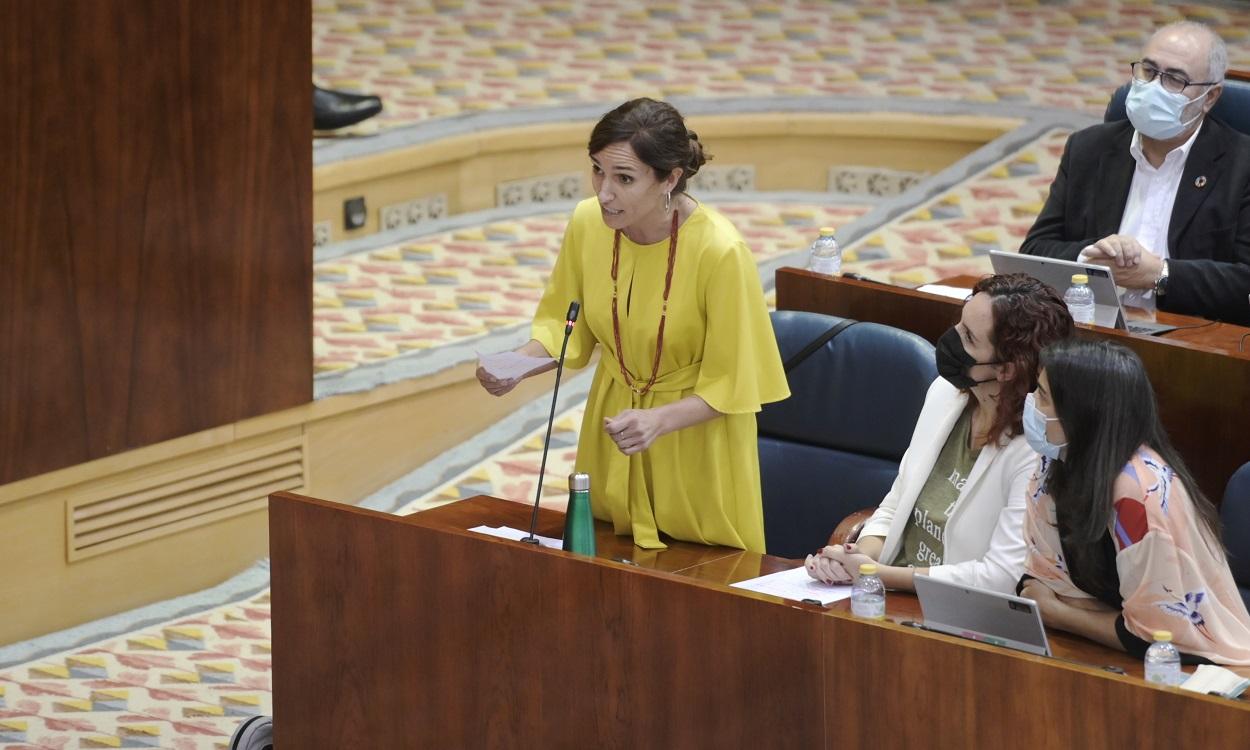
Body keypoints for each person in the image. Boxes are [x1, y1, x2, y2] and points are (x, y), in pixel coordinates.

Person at [477, 98, 788, 552]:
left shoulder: (721, 252)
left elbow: (735, 383)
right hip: (613, 435)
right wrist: (517, 363)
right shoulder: (588, 223)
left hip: (694, 448)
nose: (604, 192)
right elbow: (568, 328)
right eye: (597, 171)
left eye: (624, 178)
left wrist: (657, 421)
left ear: (670, 178)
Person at [806, 274, 1073, 593]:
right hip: (886, 589)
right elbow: (897, 501)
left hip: (957, 611)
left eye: (969, 338)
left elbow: (1000, 576)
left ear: (1006, 369)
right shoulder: (945, 394)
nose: (951, 339)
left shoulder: (1035, 449)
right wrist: (857, 557)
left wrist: (877, 573)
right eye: (959, 325)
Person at [1019, 339, 1250, 664]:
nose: (1030, 405)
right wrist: (1064, 606)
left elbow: (1154, 638)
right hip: (1106, 648)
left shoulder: (1138, 494)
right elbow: (1039, 582)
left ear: (1082, 412)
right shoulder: (1055, 460)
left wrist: (1059, 613)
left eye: (1042, 396)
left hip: (1199, 668)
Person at [1019, 22, 1250, 326]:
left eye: (1175, 79)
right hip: (1091, 327)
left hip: (1191, 338)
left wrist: (1159, 274)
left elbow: (1244, 281)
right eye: (1149, 71)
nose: (1154, 87)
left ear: (1209, 98)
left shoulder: (1242, 165)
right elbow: (1035, 251)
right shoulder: (1088, 148)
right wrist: (1093, 259)